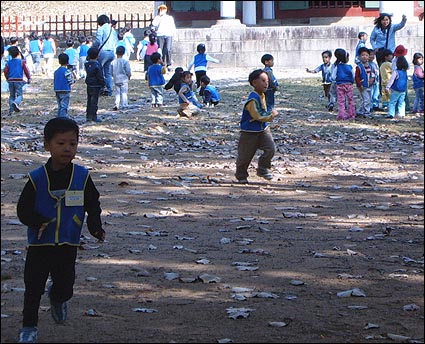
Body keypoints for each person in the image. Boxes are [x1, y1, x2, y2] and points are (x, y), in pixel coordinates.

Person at [16, 117, 105, 344]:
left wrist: (95, 226)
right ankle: (29, 328)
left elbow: (92, 203)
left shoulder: (82, 177)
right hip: (39, 244)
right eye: (61, 143)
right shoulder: (36, 179)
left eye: (72, 144)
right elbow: (22, 209)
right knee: (33, 288)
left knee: (65, 286)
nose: (67, 149)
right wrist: (37, 221)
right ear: (47, 145)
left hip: (68, 242)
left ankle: (57, 299)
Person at [235, 69, 279, 184]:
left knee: (270, 149)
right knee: (245, 155)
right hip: (249, 132)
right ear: (255, 83)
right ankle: (241, 175)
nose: (266, 83)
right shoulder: (253, 99)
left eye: (267, 81)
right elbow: (257, 115)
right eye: (263, 80)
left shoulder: (262, 95)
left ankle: (263, 168)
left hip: (263, 129)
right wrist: (271, 116)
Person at [92, 14, 118, 96]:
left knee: (99, 71)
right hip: (111, 52)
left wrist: (93, 47)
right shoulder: (112, 30)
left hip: (103, 52)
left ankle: (100, 88)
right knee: (108, 73)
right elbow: (116, 41)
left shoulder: (101, 29)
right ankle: (109, 90)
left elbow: (98, 41)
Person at [3, 46, 31, 115]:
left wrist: (7, 78)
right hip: (18, 80)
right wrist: (28, 78)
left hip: (10, 80)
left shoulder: (8, 63)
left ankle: (11, 110)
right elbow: (26, 70)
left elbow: (5, 71)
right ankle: (16, 103)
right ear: (18, 53)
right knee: (20, 95)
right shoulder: (21, 62)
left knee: (12, 95)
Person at [331, 48, 355, 120]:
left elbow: (333, 76)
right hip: (349, 85)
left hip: (340, 85)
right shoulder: (350, 67)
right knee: (350, 100)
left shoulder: (337, 67)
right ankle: (351, 114)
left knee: (341, 100)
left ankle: (341, 114)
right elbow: (353, 75)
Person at [151, 4, 176, 71]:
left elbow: (173, 27)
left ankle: (169, 64)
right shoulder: (157, 18)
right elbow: (154, 24)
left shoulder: (170, 18)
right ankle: (161, 63)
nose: (162, 10)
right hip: (160, 34)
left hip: (168, 34)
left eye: (164, 9)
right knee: (160, 50)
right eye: (161, 9)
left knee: (168, 49)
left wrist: (174, 34)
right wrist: (159, 16)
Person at [84, 47, 105, 122]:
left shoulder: (87, 64)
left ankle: (88, 115)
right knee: (94, 101)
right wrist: (103, 84)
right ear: (97, 56)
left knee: (89, 100)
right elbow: (100, 76)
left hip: (89, 85)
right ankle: (94, 116)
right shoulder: (97, 65)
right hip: (96, 85)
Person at [354, 47, 376, 119]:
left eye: (366, 55)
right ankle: (367, 112)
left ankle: (359, 111)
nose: (364, 57)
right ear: (359, 56)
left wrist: (373, 79)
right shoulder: (359, 67)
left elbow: (373, 74)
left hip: (370, 85)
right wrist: (359, 85)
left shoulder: (371, 66)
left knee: (367, 99)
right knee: (366, 99)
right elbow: (357, 77)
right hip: (363, 86)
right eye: (363, 55)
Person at [53, 53, 76, 118]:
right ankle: (63, 117)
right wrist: (74, 80)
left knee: (60, 104)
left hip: (57, 89)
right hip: (65, 89)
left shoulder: (56, 71)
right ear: (67, 61)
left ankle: (59, 116)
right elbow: (70, 80)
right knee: (64, 105)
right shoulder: (67, 71)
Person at [111, 45, 132, 111]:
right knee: (124, 92)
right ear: (123, 53)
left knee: (117, 93)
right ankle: (124, 104)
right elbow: (128, 70)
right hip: (124, 79)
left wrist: (113, 76)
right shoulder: (125, 62)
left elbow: (110, 71)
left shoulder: (113, 62)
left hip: (116, 79)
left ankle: (116, 104)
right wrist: (129, 75)